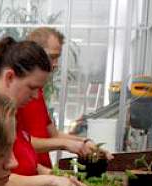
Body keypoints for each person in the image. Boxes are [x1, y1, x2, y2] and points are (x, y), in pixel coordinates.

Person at [0, 36, 84, 186]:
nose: (36, 96)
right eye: (31, 87)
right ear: (9, 77)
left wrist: (50, 173)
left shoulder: (13, 109)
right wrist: (50, 181)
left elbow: (24, 155)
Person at [24, 26, 112, 168]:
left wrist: (85, 143)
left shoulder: (37, 92)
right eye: (52, 57)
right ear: (33, 52)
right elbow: (20, 142)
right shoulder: (19, 95)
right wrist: (66, 144)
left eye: (57, 58)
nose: (55, 64)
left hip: (41, 174)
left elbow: (53, 134)